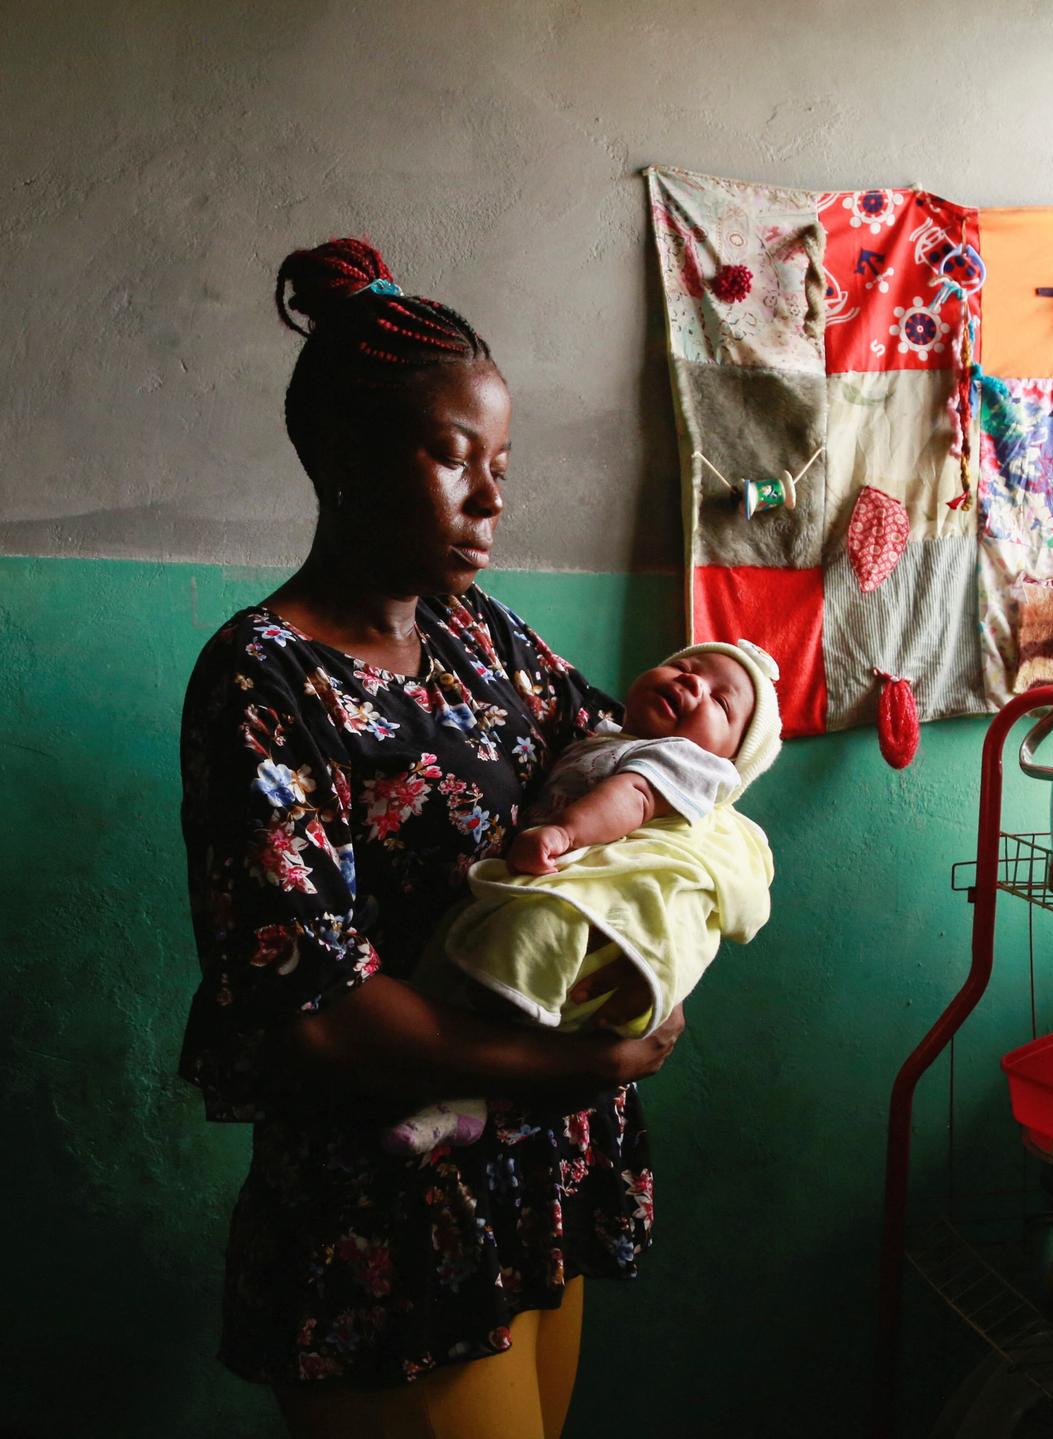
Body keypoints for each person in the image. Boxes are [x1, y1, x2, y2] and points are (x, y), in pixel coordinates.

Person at [178, 237, 687, 1439]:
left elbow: (639, 778)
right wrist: (581, 1063)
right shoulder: (264, 680)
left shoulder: (481, 638)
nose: (493, 497)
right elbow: (313, 1010)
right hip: (385, 1227)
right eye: (458, 458)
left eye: (503, 462)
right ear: (349, 459)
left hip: (535, 1185)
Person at [385, 639, 781, 1154]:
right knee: (455, 962)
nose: (691, 682)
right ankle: (460, 1096)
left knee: (521, 959)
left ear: (729, 760)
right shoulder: (608, 735)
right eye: (683, 666)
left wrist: (565, 834)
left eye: (720, 703)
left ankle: (468, 1098)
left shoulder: (686, 763)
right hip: (534, 875)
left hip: (574, 884)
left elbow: (632, 797)